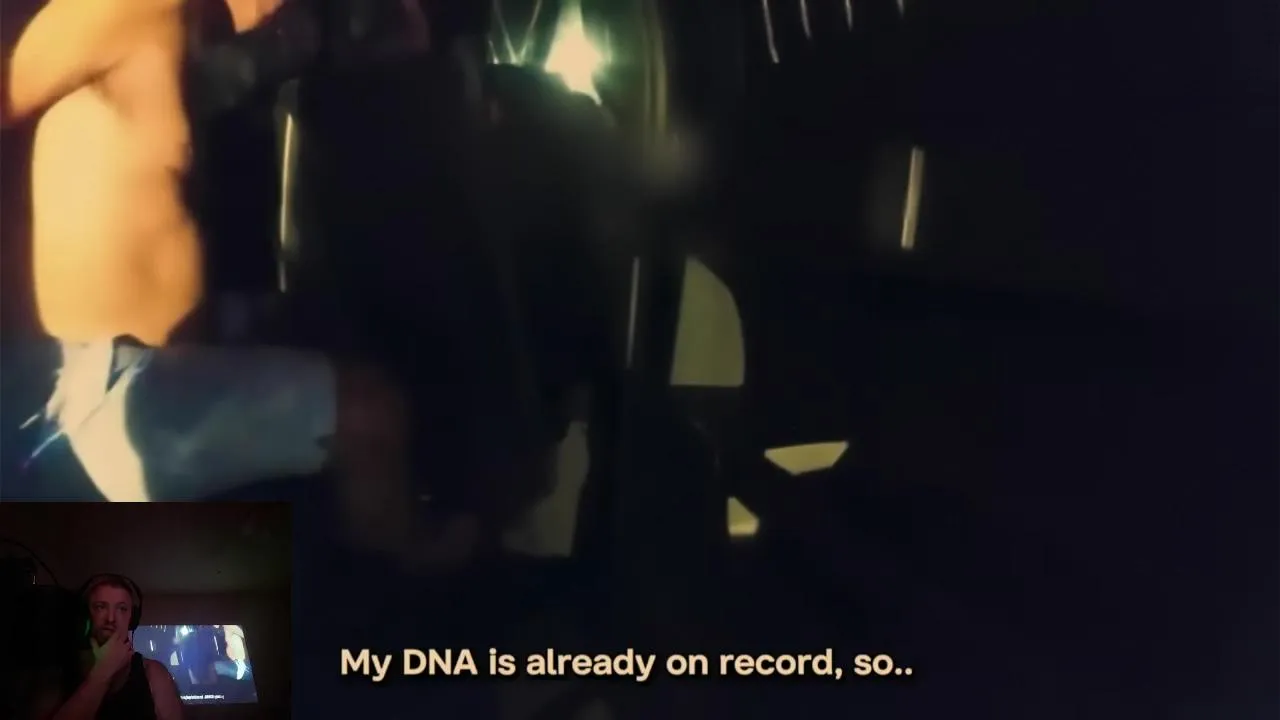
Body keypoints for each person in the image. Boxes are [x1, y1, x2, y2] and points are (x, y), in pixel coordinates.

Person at [0, 0, 473, 568]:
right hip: (91, 394)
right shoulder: (120, 7)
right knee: (370, 413)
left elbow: (276, 53)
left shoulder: (188, 28)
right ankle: (415, 588)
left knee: (322, 330)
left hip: (150, 372)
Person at [30, 575, 183, 720]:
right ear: (85, 616)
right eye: (100, 607)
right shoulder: (60, 674)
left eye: (122, 609)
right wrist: (102, 673)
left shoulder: (152, 673)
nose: (111, 618)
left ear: (132, 618)